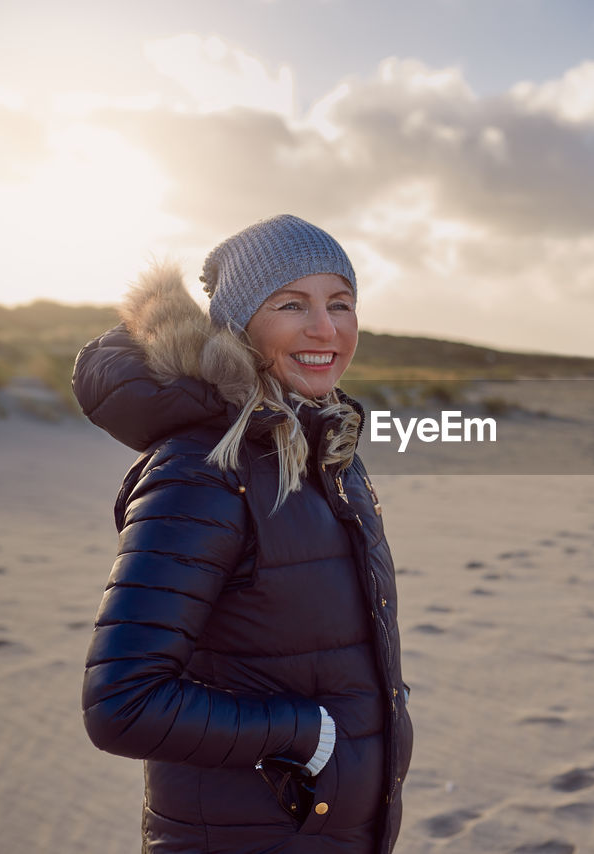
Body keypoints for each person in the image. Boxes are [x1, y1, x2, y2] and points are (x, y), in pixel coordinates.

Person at [72, 214, 412, 853]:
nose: (325, 328)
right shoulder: (203, 471)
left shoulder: (328, 454)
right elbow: (122, 703)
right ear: (239, 326)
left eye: (341, 303)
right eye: (292, 304)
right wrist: (306, 734)